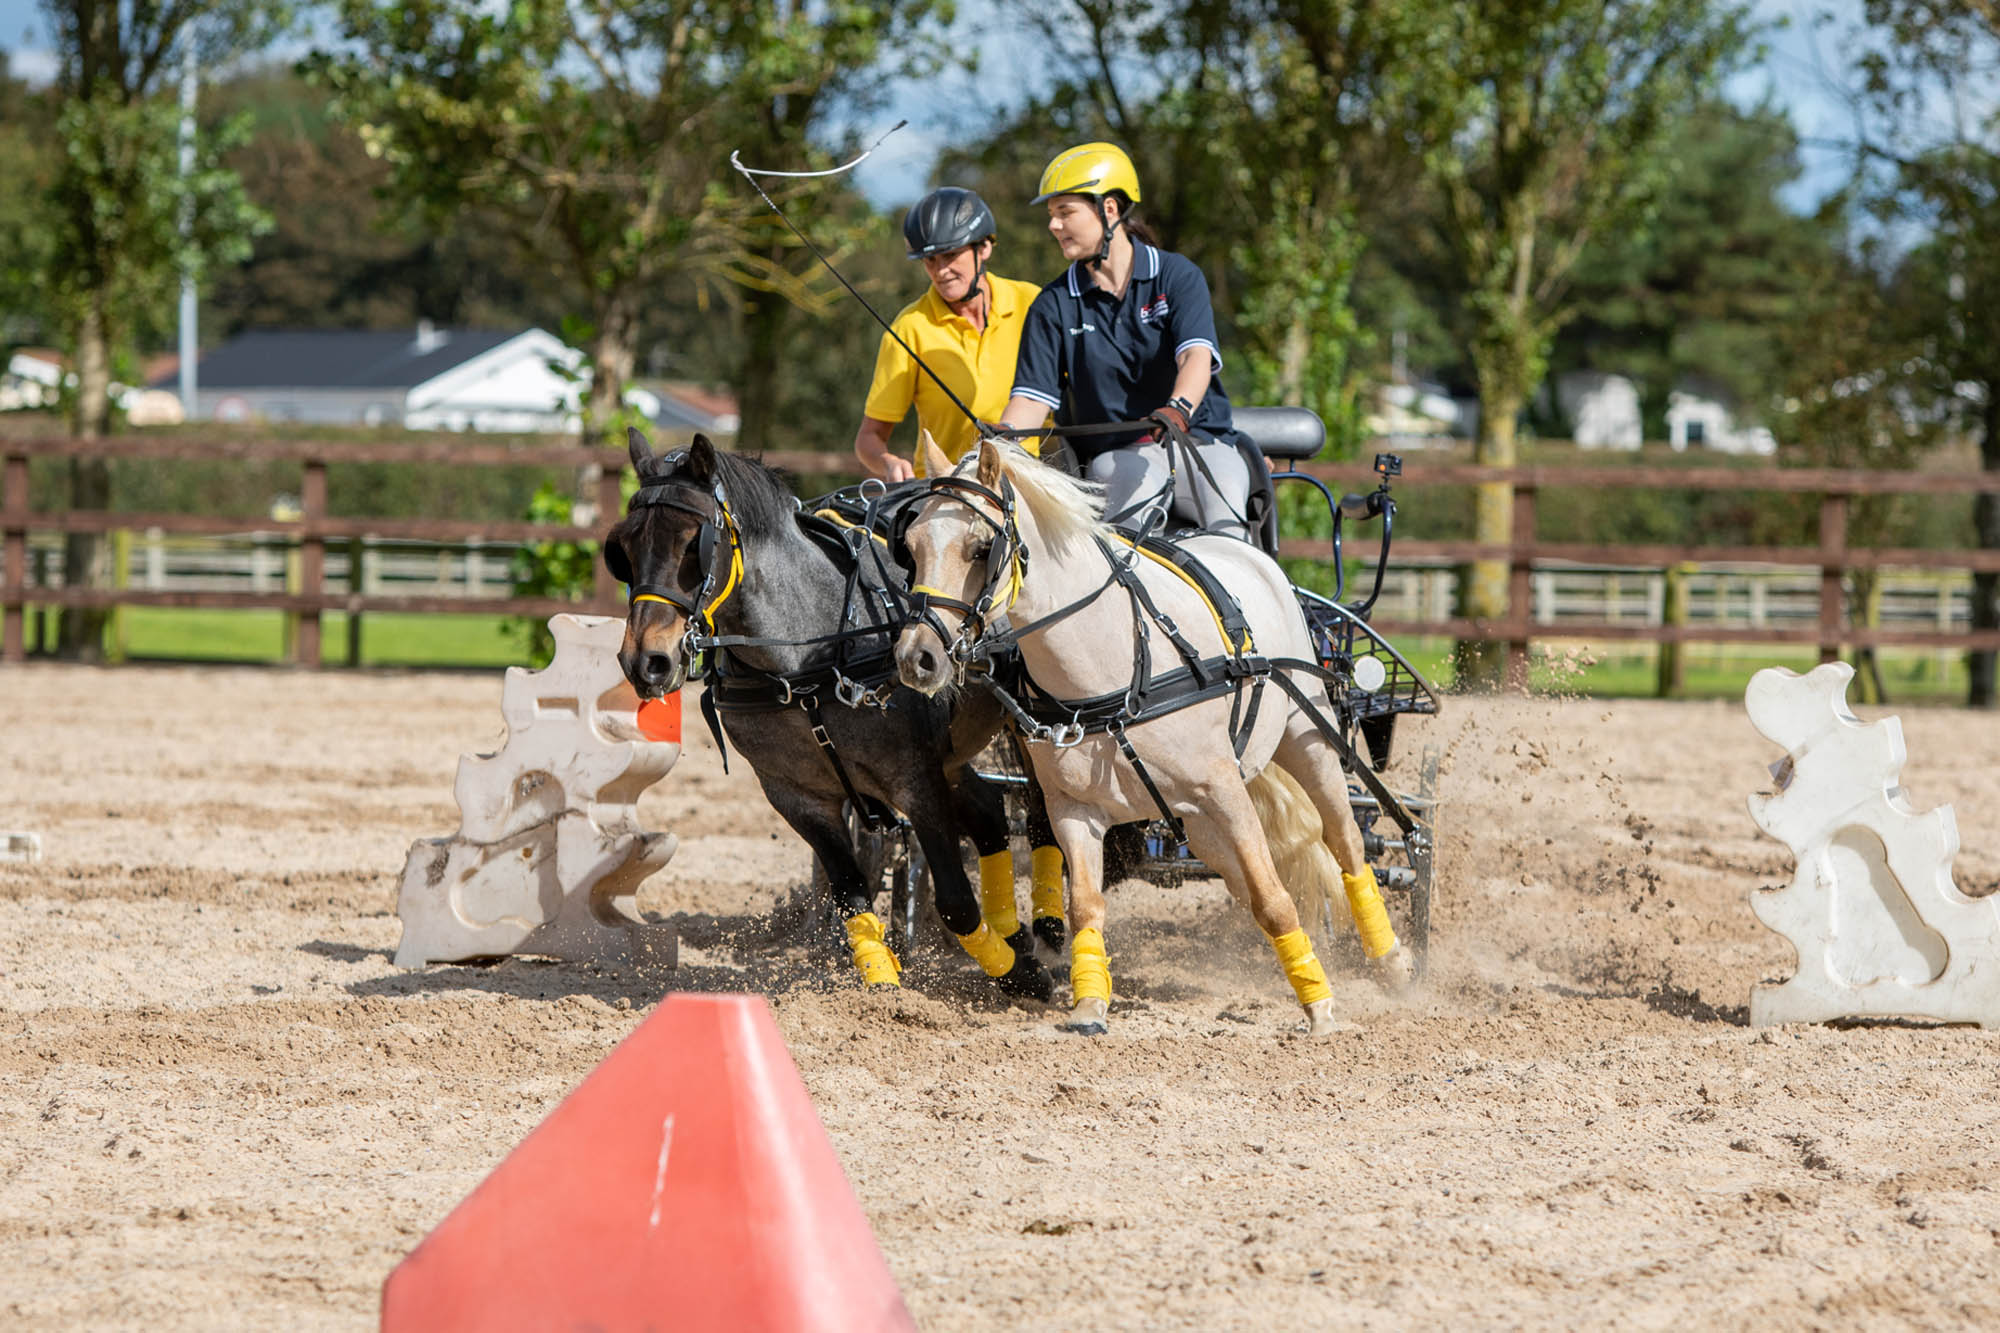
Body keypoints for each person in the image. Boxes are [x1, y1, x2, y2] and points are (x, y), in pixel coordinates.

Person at [995, 142, 1251, 539]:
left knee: (1230, 529)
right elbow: (1031, 399)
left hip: (1200, 444)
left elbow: (1196, 358)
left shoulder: (1177, 276)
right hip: (1120, 456)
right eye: (1051, 215)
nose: (1053, 226)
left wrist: (1177, 408)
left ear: (1108, 209)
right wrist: (1000, 441)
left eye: (1065, 212)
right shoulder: (1053, 305)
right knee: (1127, 541)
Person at [852, 187, 1044, 482]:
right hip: (943, 490)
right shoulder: (910, 327)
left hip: (1023, 486)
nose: (941, 271)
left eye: (951, 255)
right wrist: (887, 462)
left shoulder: (1032, 303)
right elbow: (869, 438)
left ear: (984, 249)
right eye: (930, 261)